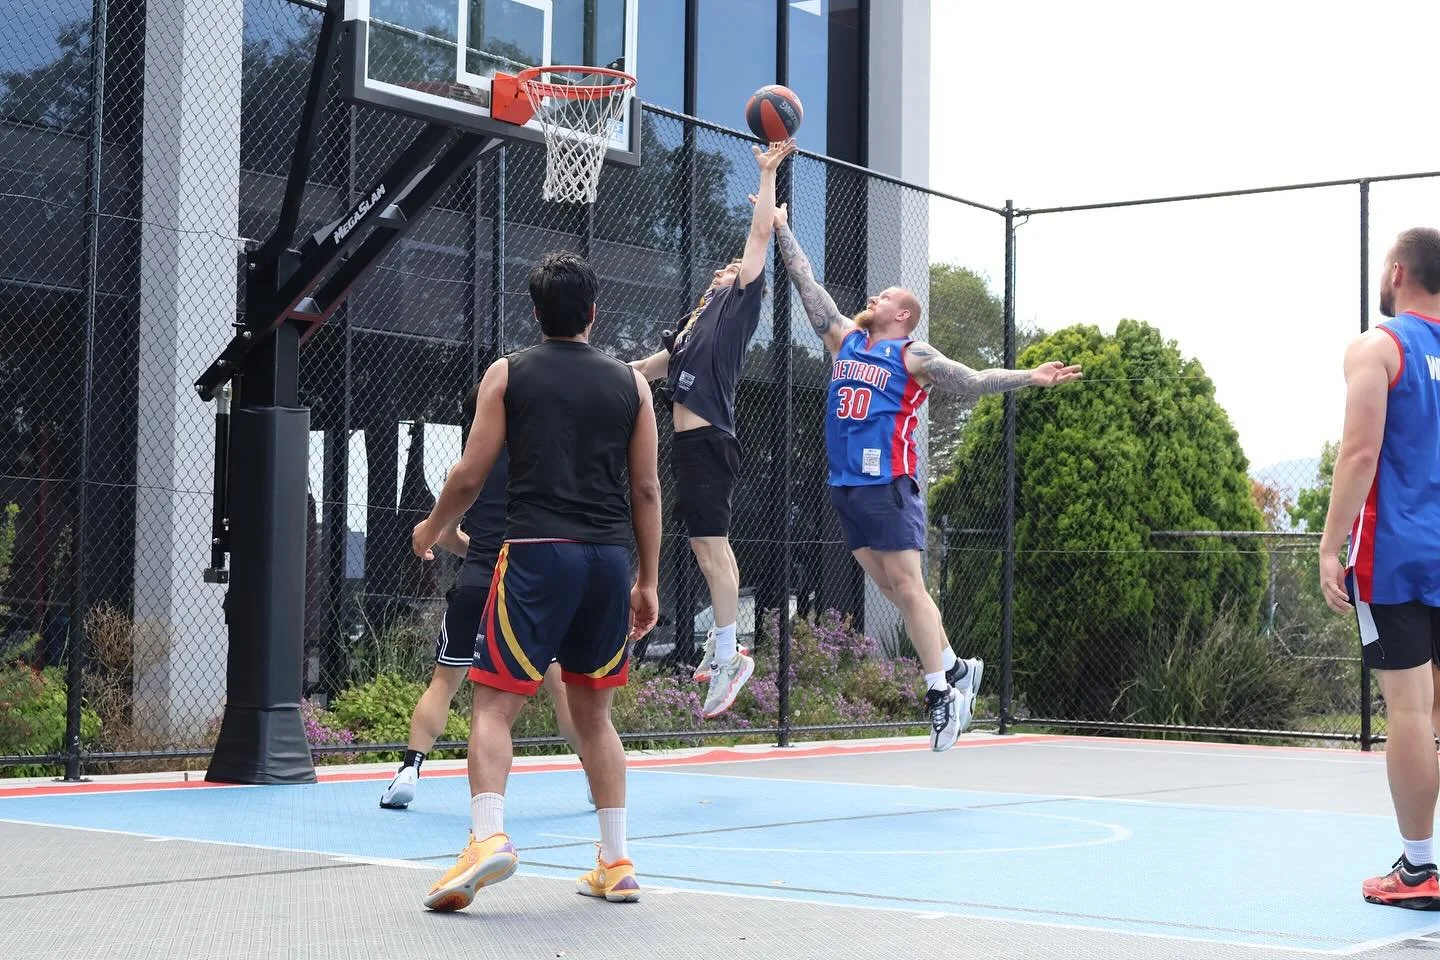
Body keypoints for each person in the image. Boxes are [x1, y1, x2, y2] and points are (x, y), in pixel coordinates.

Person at [770, 200, 1082, 752]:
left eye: (884, 296)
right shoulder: (845, 338)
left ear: (903, 314)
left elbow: (975, 380)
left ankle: (941, 695)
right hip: (846, 487)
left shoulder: (914, 355)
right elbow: (805, 282)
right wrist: (780, 225)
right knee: (890, 587)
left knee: (910, 585)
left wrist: (1030, 377)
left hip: (890, 484)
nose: (873, 298)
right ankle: (959, 668)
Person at [411, 251, 662, 912]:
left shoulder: (509, 373)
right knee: (594, 712)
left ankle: (489, 837)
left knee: (494, 703)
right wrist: (648, 581)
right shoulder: (632, 385)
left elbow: (469, 474)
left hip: (537, 553)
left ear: (536, 313)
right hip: (609, 559)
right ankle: (617, 860)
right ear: (594, 312)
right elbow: (645, 487)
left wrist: (434, 527)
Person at [629, 139, 796, 719]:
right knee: (705, 549)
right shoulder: (695, 323)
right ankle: (725, 647)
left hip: (710, 440)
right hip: (689, 444)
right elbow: (650, 368)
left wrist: (769, 174)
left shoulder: (736, 308)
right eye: (723, 269)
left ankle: (730, 652)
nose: (723, 270)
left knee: (710, 550)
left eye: (732, 271)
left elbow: (756, 241)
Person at [379, 386, 588, 811]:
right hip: (529, 590)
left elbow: (451, 537)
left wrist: (441, 537)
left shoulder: (470, 467)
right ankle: (592, 770)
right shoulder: (545, 461)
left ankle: (409, 769)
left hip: (477, 584)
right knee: (559, 686)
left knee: (444, 683)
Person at [1319, 227, 1440, 909]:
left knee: (1410, 711)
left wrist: (1330, 547)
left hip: (1398, 553)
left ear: (1396, 272)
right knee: (1435, 714)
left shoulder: (1380, 345)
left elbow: (1359, 455)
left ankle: (1419, 871)